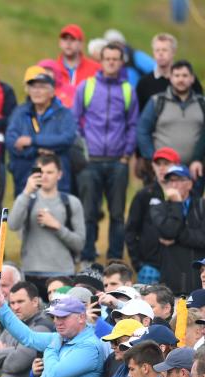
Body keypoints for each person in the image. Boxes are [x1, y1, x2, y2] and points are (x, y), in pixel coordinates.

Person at [73, 42, 139, 263]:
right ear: (101, 61)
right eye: (107, 58)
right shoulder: (87, 86)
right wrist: (84, 151)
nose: (111, 62)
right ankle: (88, 258)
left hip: (117, 162)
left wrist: (126, 155)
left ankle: (115, 260)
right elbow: (75, 121)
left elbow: (133, 125)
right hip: (90, 161)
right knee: (89, 212)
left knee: (118, 214)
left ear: (121, 62)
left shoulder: (128, 90)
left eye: (115, 59)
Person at [8, 153, 85, 295]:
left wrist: (57, 227)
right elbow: (12, 225)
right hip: (31, 272)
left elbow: (79, 244)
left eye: (50, 172)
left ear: (59, 174)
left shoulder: (71, 202)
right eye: (40, 172)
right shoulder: (27, 199)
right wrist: (26, 192)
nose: (44, 176)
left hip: (63, 274)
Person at [6, 67, 77, 194]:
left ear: (52, 92)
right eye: (33, 87)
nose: (37, 91)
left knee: (55, 212)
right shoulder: (20, 112)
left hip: (56, 181)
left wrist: (32, 140)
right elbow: (11, 141)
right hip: (25, 177)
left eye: (42, 87)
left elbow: (67, 138)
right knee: (18, 212)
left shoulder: (63, 114)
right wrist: (38, 150)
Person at [137, 61, 205, 175]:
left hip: (195, 169)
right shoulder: (157, 101)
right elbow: (142, 130)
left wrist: (198, 159)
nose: (180, 80)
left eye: (185, 75)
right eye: (177, 75)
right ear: (170, 78)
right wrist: (153, 158)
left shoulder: (202, 103)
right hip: (163, 170)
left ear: (192, 78)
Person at [126, 147, 181, 284]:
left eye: (166, 164)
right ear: (153, 166)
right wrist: (137, 263)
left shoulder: (187, 196)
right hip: (149, 265)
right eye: (158, 164)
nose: (162, 168)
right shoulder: (144, 194)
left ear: (177, 166)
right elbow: (131, 230)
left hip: (180, 265)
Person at [150, 164, 205, 295]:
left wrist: (176, 237)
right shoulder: (158, 208)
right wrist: (176, 203)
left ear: (189, 184)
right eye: (170, 181)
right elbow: (169, 231)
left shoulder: (202, 206)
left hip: (198, 279)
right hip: (172, 279)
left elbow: (203, 239)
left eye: (179, 180)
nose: (173, 185)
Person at [136, 33, 203, 113]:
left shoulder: (188, 80)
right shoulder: (144, 83)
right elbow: (139, 113)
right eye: (157, 50)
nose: (160, 54)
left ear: (173, 52)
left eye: (164, 50)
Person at [55, 24, 101, 88]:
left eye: (73, 39)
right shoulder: (52, 69)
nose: (68, 42)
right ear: (60, 43)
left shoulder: (96, 69)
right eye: (65, 39)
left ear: (81, 44)